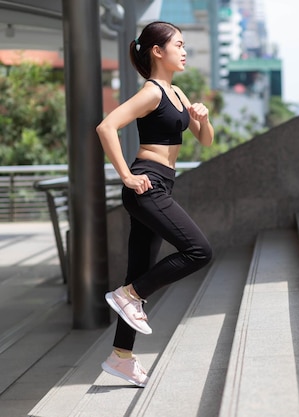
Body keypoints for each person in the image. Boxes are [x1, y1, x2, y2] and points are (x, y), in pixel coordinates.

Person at [96, 21, 214, 387]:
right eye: (178, 44)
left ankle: (121, 357)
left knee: (140, 268)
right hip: (146, 183)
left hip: (163, 183)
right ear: (157, 51)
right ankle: (128, 296)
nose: (184, 51)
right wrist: (126, 177)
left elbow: (206, 142)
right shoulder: (151, 92)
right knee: (199, 251)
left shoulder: (177, 93)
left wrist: (202, 119)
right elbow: (106, 126)